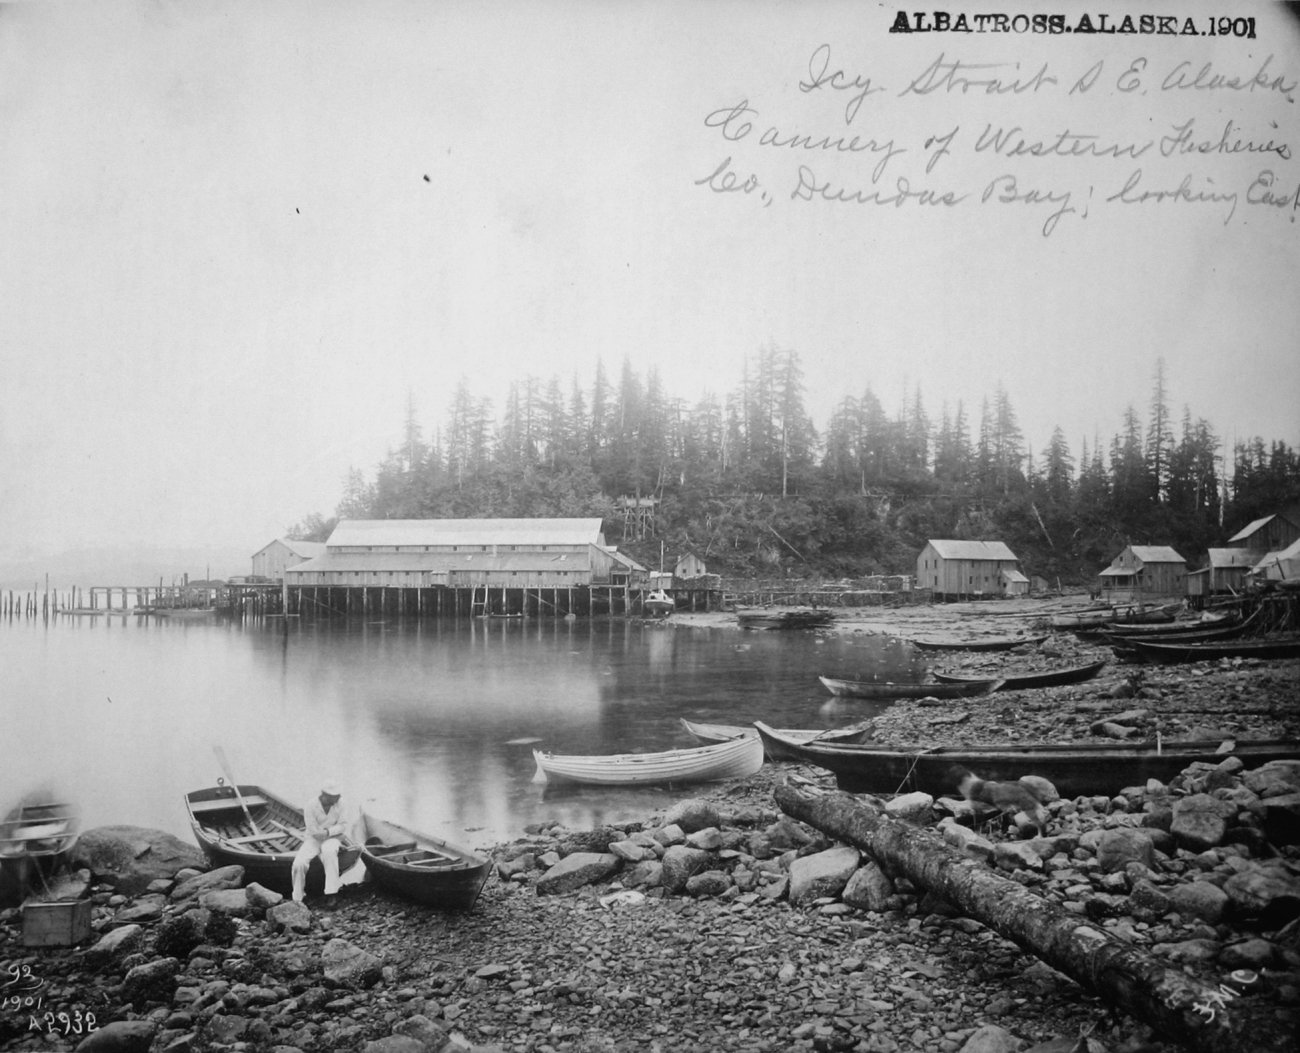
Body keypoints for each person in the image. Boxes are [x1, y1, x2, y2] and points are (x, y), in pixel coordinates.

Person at [291, 778, 350, 906]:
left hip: (332, 837)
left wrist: (328, 832)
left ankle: (331, 893)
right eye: (334, 796)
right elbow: (313, 830)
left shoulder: (341, 803)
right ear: (324, 795)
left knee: (329, 852)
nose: (337, 797)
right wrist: (322, 835)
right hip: (313, 839)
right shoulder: (311, 805)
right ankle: (297, 898)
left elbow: (343, 825)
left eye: (337, 795)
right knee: (298, 864)